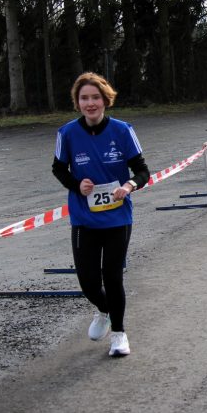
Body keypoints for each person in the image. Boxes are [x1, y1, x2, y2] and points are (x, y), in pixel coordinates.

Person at [52, 72, 150, 358]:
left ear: (105, 99)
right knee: (88, 282)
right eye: (84, 98)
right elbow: (58, 168)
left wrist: (129, 185)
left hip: (118, 218)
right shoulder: (67, 133)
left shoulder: (122, 130)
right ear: (78, 102)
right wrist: (75, 184)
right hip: (84, 218)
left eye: (95, 97)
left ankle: (119, 334)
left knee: (113, 276)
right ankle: (104, 309)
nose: (90, 103)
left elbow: (142, 170)